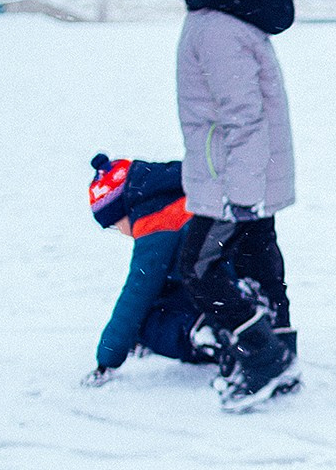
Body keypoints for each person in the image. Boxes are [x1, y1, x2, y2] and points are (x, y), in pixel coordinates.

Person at [166, 0, 300, 411]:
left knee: (198, 267)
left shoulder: (215, 29)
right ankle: (283, 352)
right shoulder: (231, 14)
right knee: (258, 262)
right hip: (248, 175)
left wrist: (237, 193)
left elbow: (244, 119)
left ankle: (263, 356)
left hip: (233, 177)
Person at [82, 153, 290, 385]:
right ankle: (256, 326)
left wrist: (107, 358)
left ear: (122, 209)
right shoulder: (181, 197)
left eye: (114, 224)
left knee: (147, 321)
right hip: (243, 271)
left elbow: (136, 293)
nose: (120, 232)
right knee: (166, 292)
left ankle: (209, 335)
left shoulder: (154, 222)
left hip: (221, 288)